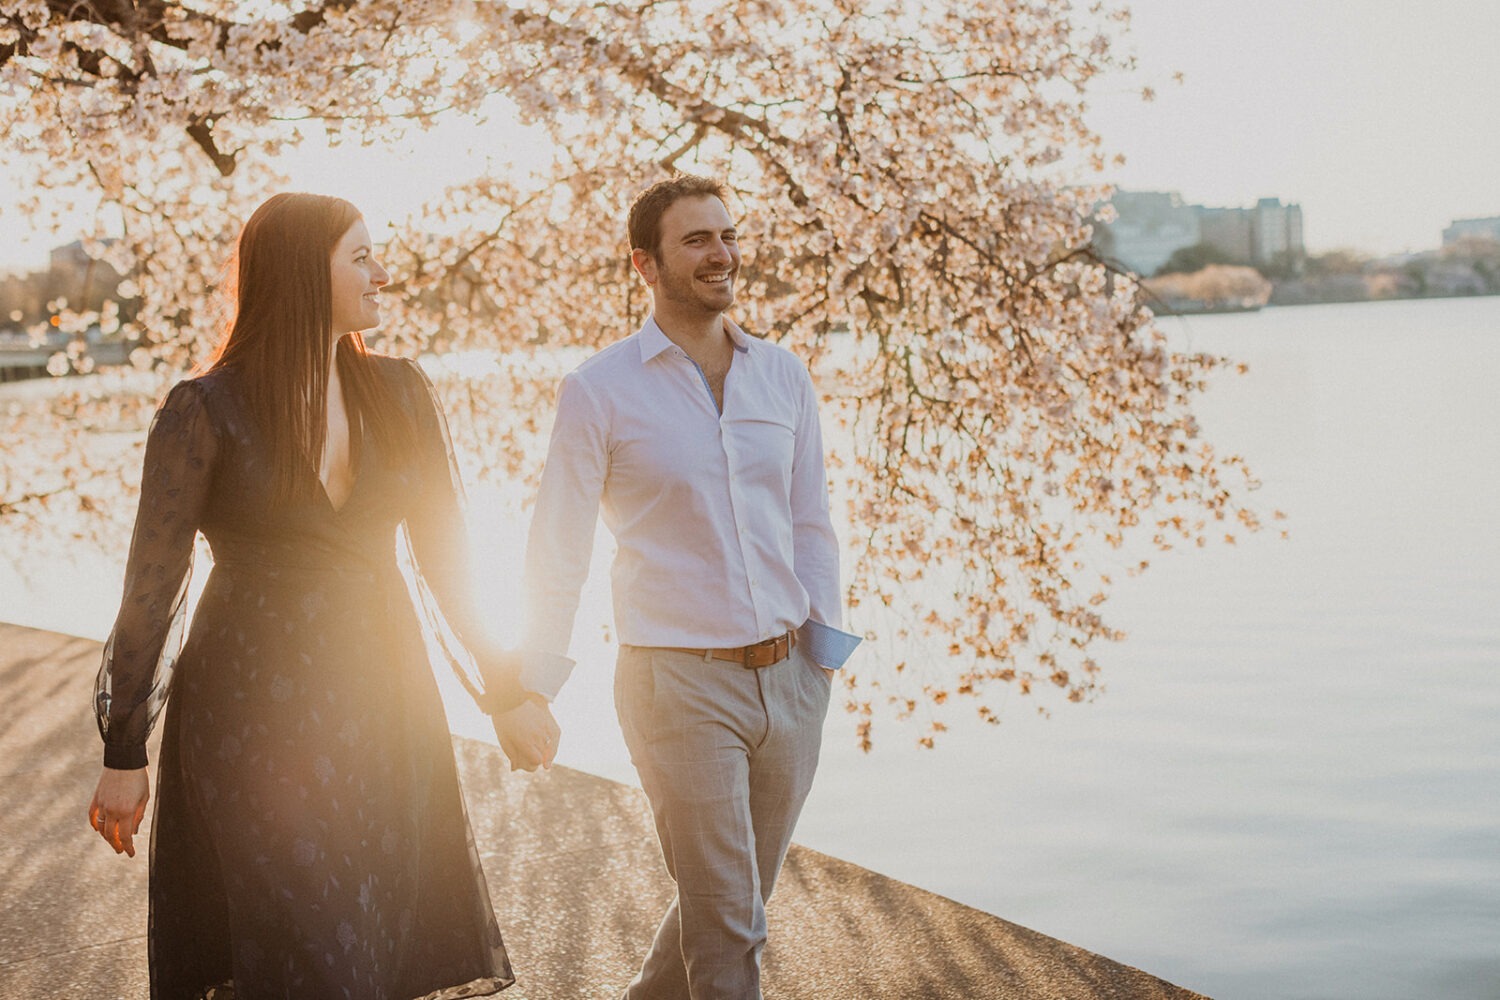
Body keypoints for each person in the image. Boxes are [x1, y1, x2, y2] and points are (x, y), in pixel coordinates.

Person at [87, 192, 559, 1000]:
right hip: (251, 719)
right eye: (361, 257)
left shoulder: (402, 392)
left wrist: (504, 690)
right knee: (301, 945)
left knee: (376, 939)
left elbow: (449, 557)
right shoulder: (203, 411)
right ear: (306, 273)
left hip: (385, 705)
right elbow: (151, 585)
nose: (383, 273)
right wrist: (124, 751)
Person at [504, 174, 861, 999]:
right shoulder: (599, 390)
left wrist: (822, 655)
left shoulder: (783, 377)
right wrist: (534, 684)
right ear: (646, 264)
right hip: (677, 684)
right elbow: (559, 545)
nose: (722, 254)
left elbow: (813, 524)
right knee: (731, 917)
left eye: (727, 235)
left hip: (792, 682)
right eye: (697, 240)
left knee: (730, 902)